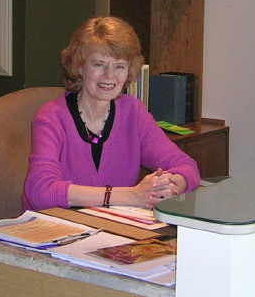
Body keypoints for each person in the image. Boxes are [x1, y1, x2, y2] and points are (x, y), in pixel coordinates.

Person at [23, 16, 200, 212]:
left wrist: (170, 184)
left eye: (119, 66)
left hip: (111, 230)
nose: (110, 76)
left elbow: (186, 166)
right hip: (55, 230)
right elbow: (40, 191)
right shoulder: (52, 117)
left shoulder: (133, 112)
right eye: (99, 64)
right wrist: (129, 195)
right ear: (80, 67)